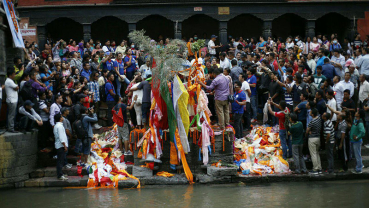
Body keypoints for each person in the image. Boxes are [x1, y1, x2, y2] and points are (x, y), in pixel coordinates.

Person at [306, 108, 322, 175]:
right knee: (317, 153)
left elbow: (307, 130)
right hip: (318, 138)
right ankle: (319, 168)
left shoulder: (312, 122)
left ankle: (315, 169)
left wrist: (308, 132)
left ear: (312, 114)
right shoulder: (319, 119)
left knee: (313, 154)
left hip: (312, 139)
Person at [53, 113, 68, 181]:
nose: (63, 117)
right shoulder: (59, 126)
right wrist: (64, 146)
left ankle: (60, 173)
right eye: (61, 117)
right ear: (60, 118)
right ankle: (60, 175)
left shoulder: (57, 126)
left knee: (60, 160)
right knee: (60, 161)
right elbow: (61, 137)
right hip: (60, 145)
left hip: (59, 145)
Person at [350, 110, 365, 174]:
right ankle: (360, 165)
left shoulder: (360, 123)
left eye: (357, 112)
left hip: (357, 141)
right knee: (357, 154)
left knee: (357, 155)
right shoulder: (355, 120)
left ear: (359, 115)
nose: (356, 112)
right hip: (354, 141)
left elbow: (363, 132)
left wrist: (357, 137)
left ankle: (359, 169)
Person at [5, 69, 19, 133]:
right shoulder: (9, 81)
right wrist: (16, 87)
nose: (14, 75)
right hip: (12, 100)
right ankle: (11, 128)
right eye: (14, 74)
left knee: (11, 115)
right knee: (11, 115)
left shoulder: (10, 81)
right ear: (10, 75)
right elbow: (16, 87)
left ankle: (10, 127)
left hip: (12, 100)